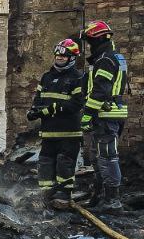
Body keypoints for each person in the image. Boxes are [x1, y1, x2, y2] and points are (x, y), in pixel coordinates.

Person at [27, 39, 84, 206]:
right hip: (48, 132)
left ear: (72, 58)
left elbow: (77, 103)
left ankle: (63, 196)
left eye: (63, 56)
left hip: (69, 132)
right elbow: (38, 99)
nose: (59, 58)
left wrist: (53, 109)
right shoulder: (47, 77)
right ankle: (45, 194)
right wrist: (33, 111)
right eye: (57, 55)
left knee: (64, 164)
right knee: (45, 162)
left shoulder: (78, 77)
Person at [79, 21, 128, 211]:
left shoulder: (106, 60)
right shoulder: (112, 57)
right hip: (106, 115)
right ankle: (99, 196)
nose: (89, 45)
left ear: (98, 39)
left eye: (90, 41)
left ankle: (112, 201)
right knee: (97, 156)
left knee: (107, 157)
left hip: (106, 115)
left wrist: (87, 114)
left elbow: (100, 91)